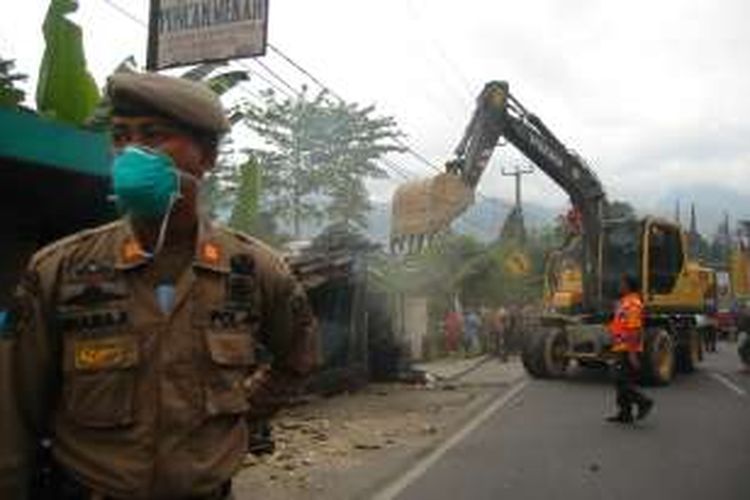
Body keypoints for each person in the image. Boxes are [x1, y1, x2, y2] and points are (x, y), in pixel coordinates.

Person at [0, 71, 319, 499]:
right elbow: (14, 409)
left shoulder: (256, 270)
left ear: (207, 157)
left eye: (152, 136)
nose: (130, 151)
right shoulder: (59, 269)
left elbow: (297, 359)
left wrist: (237, 415)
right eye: (119, 137)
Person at [606, 274, 653, 424]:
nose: (619, 286)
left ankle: (643, 401)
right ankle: (625, 413)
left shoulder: (633, 304)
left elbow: (634, 329)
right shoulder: (624, 302)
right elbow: (620, 323)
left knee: (619, 379)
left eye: (621, 283)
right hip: (620, 346)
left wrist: (632, 352)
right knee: (620, 381)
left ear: (628, 286)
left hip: (627, 348)